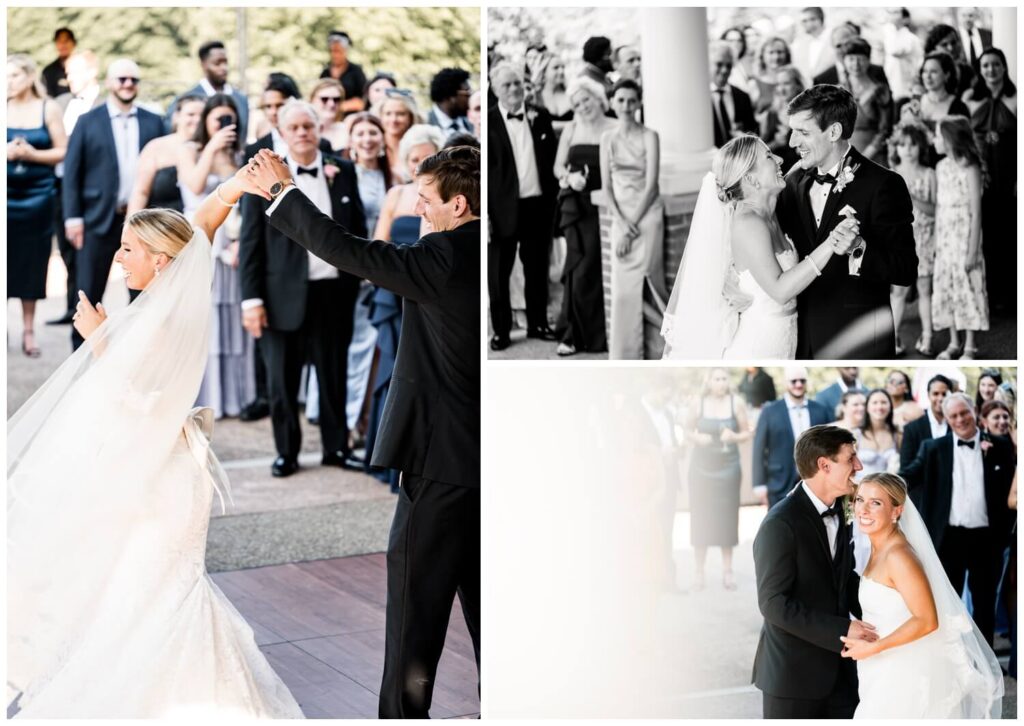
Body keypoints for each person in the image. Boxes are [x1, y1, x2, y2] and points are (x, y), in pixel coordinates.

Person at [7, 175, 304, 718]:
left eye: (128, 249)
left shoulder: (159, 317)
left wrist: (98, 340)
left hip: (163, 477)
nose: (118, 258)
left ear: (161, 261)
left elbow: (143, 405)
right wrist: (236, 183)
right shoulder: (177, 290)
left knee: (154, 588)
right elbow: (205, 223)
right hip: (161, 470)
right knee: (143, 588)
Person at [245, 144, 480, 719]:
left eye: (427, 202)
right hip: (488, 461)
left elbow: (349, 252)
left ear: (460, 204)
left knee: (413, 615)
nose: (421, 213)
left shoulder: (443, 255)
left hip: (442, 463)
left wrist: (281, 194)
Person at [238, 100, 366, 478]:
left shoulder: (342, 170)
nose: (302, 133)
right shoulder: (262, 177)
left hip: (333, 291)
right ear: (282, 131)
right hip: (280, 295)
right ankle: (286, 453)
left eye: (308, 126)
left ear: (318, 129)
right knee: (282, 381)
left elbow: (354, 226)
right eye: (293, 128)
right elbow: (250, 242)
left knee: (333, 374)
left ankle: (335, 447)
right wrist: (252, 299)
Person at [661, 135, 855, 359]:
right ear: (752, 180)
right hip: (758, 345)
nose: (780, 159)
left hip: (784, 337)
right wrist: (831, 243)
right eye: (769, 157)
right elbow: (780, 291)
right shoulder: (747, 224)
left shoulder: (768, 212)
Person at [841, 473, 1003, 717]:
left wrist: (873, 649)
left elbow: (927, 620)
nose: (863, 509)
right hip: (882, 665)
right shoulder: (881, 546)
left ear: (897, 511)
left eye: (876, 503)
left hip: (903, 668)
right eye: (860, 499)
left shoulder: (898, 556)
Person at [775, 84, 917, 359]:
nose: (792, 142)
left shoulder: (883, 184)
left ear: (834, 132)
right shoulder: (793, 184)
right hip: (803, 340)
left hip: (861, 338)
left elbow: (905, 270)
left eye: (803, 132)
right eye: (793, 131)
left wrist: (858, 247)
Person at [751, 425, 867, 718]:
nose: (859, 466)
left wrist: (886, 609)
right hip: (793, 677)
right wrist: (842, 629)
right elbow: (773, 604)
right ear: (824, 465)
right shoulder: (779, 524)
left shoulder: (842, 508)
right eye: (850, 458)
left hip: (842, 675)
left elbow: (843, 578)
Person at [62, 58, 165, 350]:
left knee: (143, 296)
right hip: (97, 220)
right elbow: (72, 172)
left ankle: (136, 358)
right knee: (87, 294)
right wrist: (73, 218)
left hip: (142, 224)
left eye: (133, 79)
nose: (128, 84)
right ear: (109, 83)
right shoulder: (87, 121)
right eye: (122, 79)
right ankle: (79, 363)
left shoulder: (154, 121)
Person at [899, 392, 1016, 646]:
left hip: (987, 539)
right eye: (954, 416)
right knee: (946, 601)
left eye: (964, 413)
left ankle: (985, 659)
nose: (960, 419)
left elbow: (1012, 488)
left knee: (985, 603)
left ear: (974, 411)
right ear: (947, 419)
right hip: (948, 538)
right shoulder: (933, 448)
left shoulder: (1001, 445)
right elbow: (907, 477)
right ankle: (952, 656)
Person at [366, 123, 444, 487]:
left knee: (422, 374)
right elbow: (378, 244)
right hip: (393, 293)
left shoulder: (446, 198)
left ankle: (419, 459)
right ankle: (388, 459)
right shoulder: (396, 194)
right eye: (414, 158)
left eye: (426, 157)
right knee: (392, 374)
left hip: (429, 294)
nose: (419, 164)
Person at [177, 94, 253, 420]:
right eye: (218, 119)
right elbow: (194, 187)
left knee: (236, 319)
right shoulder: (190, 150)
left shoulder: (241, 155)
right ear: (206, 120)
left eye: (230, 119)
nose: (224, 125)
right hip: (201, 240)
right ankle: (206, 398)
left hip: (235, 245)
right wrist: (211, 146)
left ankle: (238, 396)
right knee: (205, 320)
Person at [7, 54, 68, 358]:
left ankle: (29, 329)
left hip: (38, 196)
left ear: (29, 77)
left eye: (15, 75)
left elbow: (62, 151)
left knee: (32, 263)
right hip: (5, 196)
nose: (8, 82)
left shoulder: (49, 107)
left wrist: (32, 154)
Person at [601, 79, 664, 360]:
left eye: (631, 100)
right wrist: (622, 224)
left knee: (650, 283)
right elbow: (606, 188)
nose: (626, 106)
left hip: (646, 215)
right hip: (620, 217)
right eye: (621, 100)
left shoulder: (650, 135)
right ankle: (625, 354)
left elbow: (652, 186)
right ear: (612, 103)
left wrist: (632, 228)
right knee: (624, 293)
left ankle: (672, 337)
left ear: (639, 103)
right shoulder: (607, 139)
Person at [553, 76, 616, 356]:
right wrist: (570, 177)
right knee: (578, 266)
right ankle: (573, 334)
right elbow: (557, 168)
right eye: (576, 104)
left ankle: (601, 333)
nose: (582, 106)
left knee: (598, 266)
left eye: (586, 99)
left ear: (597, 98)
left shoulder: (615, 127)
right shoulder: (571, 128)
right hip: (575, 206)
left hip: (604, 205)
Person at [341, 112, 393, 450]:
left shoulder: (394, 177)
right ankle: (348, 422)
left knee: (378, 350)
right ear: (351, 140)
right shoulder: (343, 175)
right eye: (359, 133)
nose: (367, 139)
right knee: (356, 349)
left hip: (386, 269)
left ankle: (368, 419)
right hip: (355, 270)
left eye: (372, 132)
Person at [48, 50, 104, 327]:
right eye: (67, 73)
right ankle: (72, 307)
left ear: (92, 72)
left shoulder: (105, 104)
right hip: (59, 186)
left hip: (92, 189)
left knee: (89, 254)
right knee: (66, 252)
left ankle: (87, 309)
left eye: (75, 72)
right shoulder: (59, 103)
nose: (69, 78)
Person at [686, 368, 751, 591]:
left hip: (728, 467)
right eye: (717, 378)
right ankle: (699, 572)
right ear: (709, 381)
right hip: (702, 467)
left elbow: (747, 432)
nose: (721, 383)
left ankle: (727, 571)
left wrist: (734, 437)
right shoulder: (698, 402)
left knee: (727, 518)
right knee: (700, 517)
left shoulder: (737, 403)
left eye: (724, 378)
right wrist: (697, 437)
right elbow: (686, 429)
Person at [964, 47, 1016, 314]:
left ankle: (1011, 297)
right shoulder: (970, 100)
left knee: (1010, 236)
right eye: (985, 65)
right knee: (987, 236)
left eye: (996, 64)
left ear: (1004, 67)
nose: (991, 70)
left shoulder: (1016, 98)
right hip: (980, 175)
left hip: (1008, 176)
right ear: (980, 70)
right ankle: (989, 294)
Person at [931, 115, 987, 360]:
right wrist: (935, 241)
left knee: (967, 287)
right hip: (944, 237)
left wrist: (973, 249)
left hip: (964, 236)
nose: (934, 140)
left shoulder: (970, 167)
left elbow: (976, 211)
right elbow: (938, 208)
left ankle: (970, 345)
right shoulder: (940, 167)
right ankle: (954, 342)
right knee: (947, 286)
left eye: (937, 135)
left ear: (949, 139)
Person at [887, 120, 936, 355]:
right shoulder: (891, 175)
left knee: (925, 289)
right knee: (898, 292)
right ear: (896, 148)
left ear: (921, 148)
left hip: (925, 238)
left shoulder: (929, 175)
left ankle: (927, 337)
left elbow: (935, 209)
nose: (907, 149)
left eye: (913, 145)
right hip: (900, 241)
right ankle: (893, 338)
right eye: (903, 145)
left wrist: (913, 197)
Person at [751, 367, 830, 508]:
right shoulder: (770, 411)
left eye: (802, 381)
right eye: (794, 381)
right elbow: (759, 448)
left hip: (815, 482)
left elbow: (828, 447)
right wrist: (759, 484)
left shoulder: (820, 410)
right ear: (785, 383)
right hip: (779, 482)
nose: (798, 384)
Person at [127, 94, 205, 215]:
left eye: (202, 115)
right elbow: (140, 192)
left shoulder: (212, 149)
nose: (197, 120)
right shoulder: (156, 147)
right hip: (160, 227)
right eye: (191, 114)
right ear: (177, 117)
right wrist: (130, 226)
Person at [167, 40, 249, 142]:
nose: (224, 68)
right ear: (203, 65)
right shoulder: (187, 100)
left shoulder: (241, 99)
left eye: (225, 62)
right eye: (217, 63)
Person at [840, 38, 893, 167]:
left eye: (861, 59)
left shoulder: (880, 90)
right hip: (843, 155)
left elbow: (885, 129)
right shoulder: (838, 91)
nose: (856, 64)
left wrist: (865, 156)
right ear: (844, 61)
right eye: (851, 59)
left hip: (874, 155)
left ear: (868, 60)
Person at [709, 41, 757, 149]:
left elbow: (753, 131)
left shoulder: (742, 96)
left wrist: (744, 137)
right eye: (719, 64)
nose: (724, 70)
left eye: (729, 65)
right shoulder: (699, 98)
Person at [900, 373, 952, 469]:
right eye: (935, 394)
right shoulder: (911, 429)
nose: (940, 398)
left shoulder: (956, 426)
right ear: (928, 395)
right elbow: (905, 468)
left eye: (944, 394)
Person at [814, 23, 890, 88]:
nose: (843, 50)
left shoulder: (877, 72)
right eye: (838, 46)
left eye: (847, 44)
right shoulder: (821, 80)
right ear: (832, 46)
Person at [759, 65, 804, 173]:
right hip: (778, 175)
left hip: (803, 174)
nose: (781, 89)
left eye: (786, 83)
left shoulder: (808, 114)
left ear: (797, 85)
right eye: (779, 84)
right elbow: (759, 152)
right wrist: (776, 143)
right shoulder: (770, 114)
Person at [855, 389, 901, 479]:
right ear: (867, 407)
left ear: (890, 407)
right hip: (860, 489)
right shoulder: (855, 435)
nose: (879, 407)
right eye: (875, 402)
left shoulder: (898, 434)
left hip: (889, 489)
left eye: (883, 402)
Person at [319, 30, 366, 117]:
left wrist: (338, 107)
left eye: (339, 51)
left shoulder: (356, 72)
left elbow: (361, 102)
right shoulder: (325, 73)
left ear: (346, 50)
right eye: (333, 51)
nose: (335, 55)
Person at [881, 8, 924, 101]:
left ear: (906, 19)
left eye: (896, 13)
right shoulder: (893, 37)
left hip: (907, 92)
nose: (892, 17)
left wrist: (889, 27)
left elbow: (894, 51)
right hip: (895, 90)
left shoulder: (910, 38)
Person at [379, 89, 419, 182]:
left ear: (411, 117)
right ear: (380, 116)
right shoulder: (373, 146)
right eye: (388, 113)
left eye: (400, 114)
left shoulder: (418, 147)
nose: (393, 120)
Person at [923, 25, 974, 97]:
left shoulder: (967, 71)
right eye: (944, 45)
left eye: (953, 43)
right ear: (934, 48)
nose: (950, 48)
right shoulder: (925, 73)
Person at [789, 7, 833, 87]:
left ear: (821, 19)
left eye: (812, 19)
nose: (808, 24)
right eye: (804, 21)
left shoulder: (833, 38)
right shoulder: (799, 43)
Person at [427, 67, 474, 139]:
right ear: (451, 96)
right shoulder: (424, 124)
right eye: (467, 93)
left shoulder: (473, 123)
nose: (471, 98)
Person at [751, 36, 793, 114]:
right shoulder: (754, 84)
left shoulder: (794, 81)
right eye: (771, 52)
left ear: (787, 54)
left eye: (780, 52)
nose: (776, 57)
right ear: (762, 55)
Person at [309, 78, 348, 151]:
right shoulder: (303, 131)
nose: (331, 104)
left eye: (336, 99)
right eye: (325, 99)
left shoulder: (346, 130)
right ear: (312, 100)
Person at [41, 27, 75, 98]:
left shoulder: (83, 68)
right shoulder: (48, 72)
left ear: (73, 43)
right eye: (59, 41)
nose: (63, 45)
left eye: (66, 40)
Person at [721, 26, 757, 92]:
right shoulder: (721, 67)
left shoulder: (743, 64)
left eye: (739, 40)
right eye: (731, 40)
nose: (735, 43)